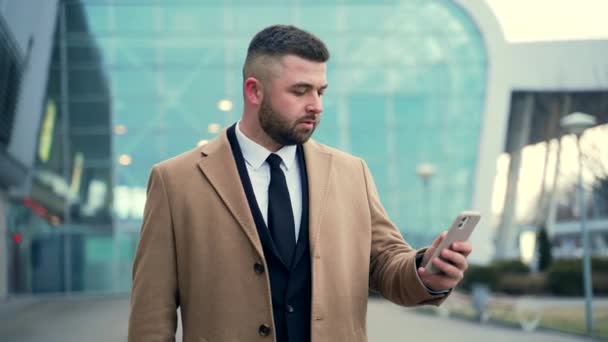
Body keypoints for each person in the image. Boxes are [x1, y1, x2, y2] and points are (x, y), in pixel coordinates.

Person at [128, 24, 472, 342]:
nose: (316, 106)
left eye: (321, 91)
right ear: (254, 91)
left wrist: (424, 273)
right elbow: (150, 316)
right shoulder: (175, 181)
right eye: (301, 91)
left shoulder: (352, 173)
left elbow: (385, 262)